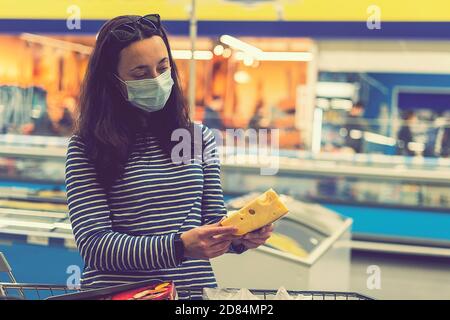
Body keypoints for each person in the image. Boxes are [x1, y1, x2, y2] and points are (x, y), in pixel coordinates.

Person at [65, 14, 273, 299]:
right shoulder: (86, 146)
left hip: (190, 295)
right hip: (124, 294)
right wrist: (178, 247)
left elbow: (213, 221)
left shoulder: (198, 137)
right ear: (111, 81)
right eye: (140, 74)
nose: (156, 80)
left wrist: (241, 236)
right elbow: (95, 246)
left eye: (163, 68)